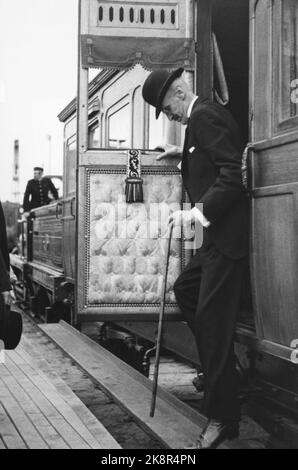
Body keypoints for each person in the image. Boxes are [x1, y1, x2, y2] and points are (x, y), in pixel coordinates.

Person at [142, 68, 249, 449]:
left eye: (165, 105)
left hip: (226, 238)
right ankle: (227, 373)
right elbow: (206, 155)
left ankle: (223, 416)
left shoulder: (204, 115)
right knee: (185, 289)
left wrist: (197, 213)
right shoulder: (197, 119)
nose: (166, 113)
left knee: (211, 321)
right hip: (216, 239)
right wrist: (181, 154)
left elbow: (233, 173)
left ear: (179, 90)